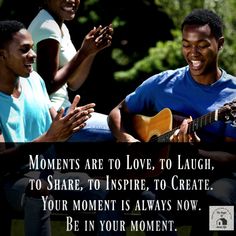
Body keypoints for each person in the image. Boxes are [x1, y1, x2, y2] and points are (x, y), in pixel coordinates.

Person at [108, 9, 236, 235]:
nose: (193, 53)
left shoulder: (232, 95)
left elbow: (233, 159)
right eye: (186, 44)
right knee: (150, 199)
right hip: (170, 174)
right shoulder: (163, 83)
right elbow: (117, 112)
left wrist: (194, 153)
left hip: (218, 176)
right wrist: (127, 138)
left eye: (202, 45)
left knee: (218, 202)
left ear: (221, 43)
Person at [0, 20, 122, 236]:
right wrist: (48, 138)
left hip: (50, 172)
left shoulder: (34, 80)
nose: (33, 55)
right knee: (38, 191)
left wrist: (68, 125)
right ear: (2, 55)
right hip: (12, 180)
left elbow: (52, 123)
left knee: (104, 189)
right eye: (24, 49)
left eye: (33, 48)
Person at [28, 0, 114, 142]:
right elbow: (48, 85)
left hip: (65, 110)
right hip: (53, 119)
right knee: (121, 130)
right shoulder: (47, 26)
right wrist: (82, 52)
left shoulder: (60, 26)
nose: (72, 0)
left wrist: (90, 52)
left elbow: (73, 83)